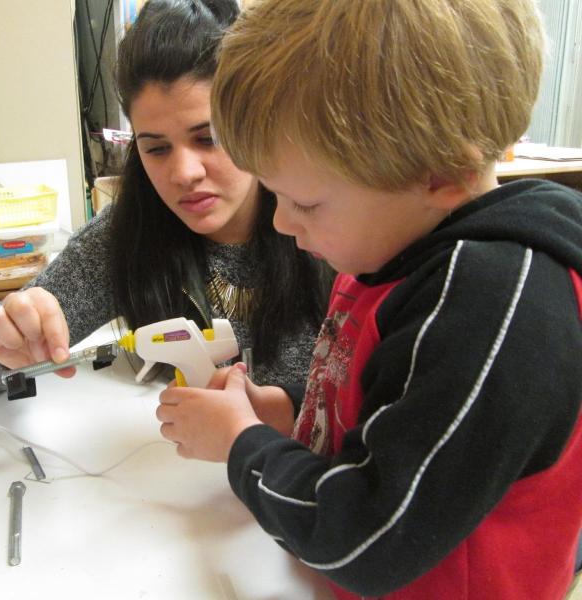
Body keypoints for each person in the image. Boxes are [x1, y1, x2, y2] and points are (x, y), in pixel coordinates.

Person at [156, 0, 582, 598]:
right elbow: (401, 407)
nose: (281, 224)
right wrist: (289, 415)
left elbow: (366, 537)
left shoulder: (492, 303)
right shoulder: (390, 243)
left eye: (304, 202)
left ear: (440, 174)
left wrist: (242, 446)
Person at [0, 0, 332, 393]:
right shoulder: (129, 233)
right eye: (156, 148)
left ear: (252, 122)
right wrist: (9, 335)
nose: (184, 173)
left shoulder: (327, 219)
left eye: (209, 138)